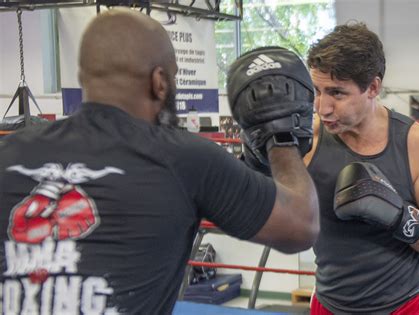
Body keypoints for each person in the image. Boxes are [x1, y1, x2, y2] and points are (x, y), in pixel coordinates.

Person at [0, 9, 319, 314]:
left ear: (84, 76)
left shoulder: (9, 153)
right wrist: (279, 136)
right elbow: (300, 226)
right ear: (159, 81)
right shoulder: (183, 157)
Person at [304, 22, 419, 315]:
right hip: (329, 302)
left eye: (337, 93)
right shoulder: (307, 140)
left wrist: (399, 218)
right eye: (317, 90)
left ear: (373, 87)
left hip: (403, 305)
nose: (322, 107)